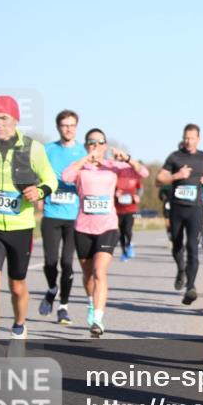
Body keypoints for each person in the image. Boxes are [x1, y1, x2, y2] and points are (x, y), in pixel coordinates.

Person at [0, 96, 58, 345]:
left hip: (20, 227)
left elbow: (51, 179)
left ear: (16, 120)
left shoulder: (32, 148)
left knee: (17, 285)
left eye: (3, 118)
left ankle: (19, 323)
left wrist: (39, 192)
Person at [62, 129, 148, 336]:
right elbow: (65, 177)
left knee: (100, 272)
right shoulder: (81, 168)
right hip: (83, 227)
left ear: (105, 145)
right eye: (91, 142)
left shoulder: (114, 167)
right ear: (86, 145)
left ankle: (98, 319)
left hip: (108, 226)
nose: (95, 145)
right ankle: (91, 303)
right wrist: (85, 159)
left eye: (100, 142)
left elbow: (143, 173)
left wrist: (126, 158)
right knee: (88, 274)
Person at [156, 124, 203, 305]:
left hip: (195, 209)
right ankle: (181, 270)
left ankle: (190, 287)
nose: (189, 141)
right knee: (176, 244)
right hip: (177, 209)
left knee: (192, 247)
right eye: (186, 137)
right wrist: (177, 175)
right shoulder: (175, 157)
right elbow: (158, 180)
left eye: (192, 138)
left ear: (199, 138)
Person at [39, 109, 86, 325]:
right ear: (58, 127)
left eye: (72, 125)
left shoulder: (83, 152)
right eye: (64, 125)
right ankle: (51, 288)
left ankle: (64, 307)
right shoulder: (47, 150)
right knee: (50, 261)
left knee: (67, 262)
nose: (68, 129)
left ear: (77, 127)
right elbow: (35, 173)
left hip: (73, 216)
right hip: (51, 213)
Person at [114, 145, 147, 262]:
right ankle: (124, 251)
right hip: (117, 208)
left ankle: (128, 247)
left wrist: (138, 196)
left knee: (128, 230)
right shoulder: (114, 173)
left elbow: (140, 188)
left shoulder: (133, 172)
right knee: (120, 232)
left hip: (131, 208)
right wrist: (115, 193)